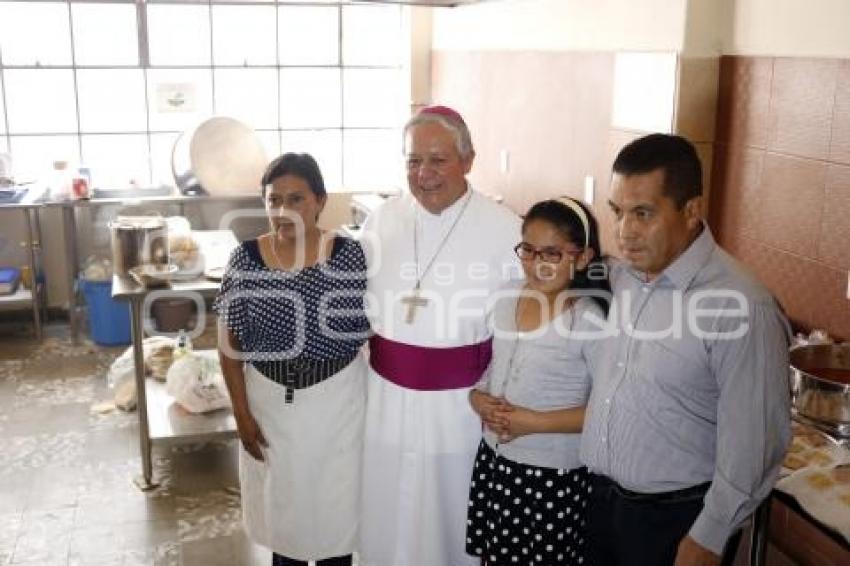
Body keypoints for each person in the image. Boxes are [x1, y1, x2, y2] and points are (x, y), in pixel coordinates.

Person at [580, 134, 791, 566]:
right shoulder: (623, 278)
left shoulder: (740, 307)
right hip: (602, 503)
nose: (624, 231)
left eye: (643, 214)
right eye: (617, 212)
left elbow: (756, 445)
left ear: (692, 210)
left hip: (675, 521)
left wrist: (708, 537)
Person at [358, 105, 522, 566]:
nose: (424, 173)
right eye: (413, 161)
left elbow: (521, 329)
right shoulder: (382, 220)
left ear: (468, 160)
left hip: (461, 410)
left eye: (438, 160)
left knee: (448, 523)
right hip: (385, 402)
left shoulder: (506, 229)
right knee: (388, 517)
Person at [215, 153, 370, 566]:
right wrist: (241, 415)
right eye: (273, 199)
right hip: (271, 404)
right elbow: (228, 346)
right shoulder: (245, 260)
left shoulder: (348, 256)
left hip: (338, 404)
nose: (282, 210)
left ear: (319, 201)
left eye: (296, 199)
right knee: (286, 518)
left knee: (335, 515)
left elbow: (375, 327)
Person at [466, 197, 610, 565]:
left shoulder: (588, 321)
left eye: (552, 254)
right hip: (497, 463)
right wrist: (478, 398)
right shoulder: (505, 298)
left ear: (583, 257)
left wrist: (535, 422)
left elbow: (609, 409)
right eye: (528, 250)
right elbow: (492, 371)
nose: (536, 264)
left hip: (553, 475)